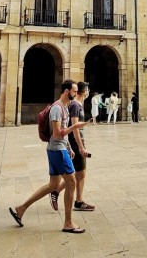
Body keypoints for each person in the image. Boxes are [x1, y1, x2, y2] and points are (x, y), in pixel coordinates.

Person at [9, 79, 88, 233]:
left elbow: (62, 135)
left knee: (53, 185)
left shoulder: (64, 107)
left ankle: (20, 209)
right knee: (71, 182)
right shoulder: (57, 109)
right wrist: (75, 126)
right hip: (57, 151)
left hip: (59, 149)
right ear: (66, 91)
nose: (75, 93)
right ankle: (68, 223)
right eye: (73, 91)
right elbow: (58, 134)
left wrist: (69, 147)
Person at [54, 82, 95, 212]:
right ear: (84, 91)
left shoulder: (75, 105)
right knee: (80, 173)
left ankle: (71, 198)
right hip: (75, 142)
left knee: (76, 173)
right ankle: (76, 200)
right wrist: (80, 147)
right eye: (87, 90)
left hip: (74, 142)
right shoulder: (76, 105)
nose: (88, 92)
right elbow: (75, 128)